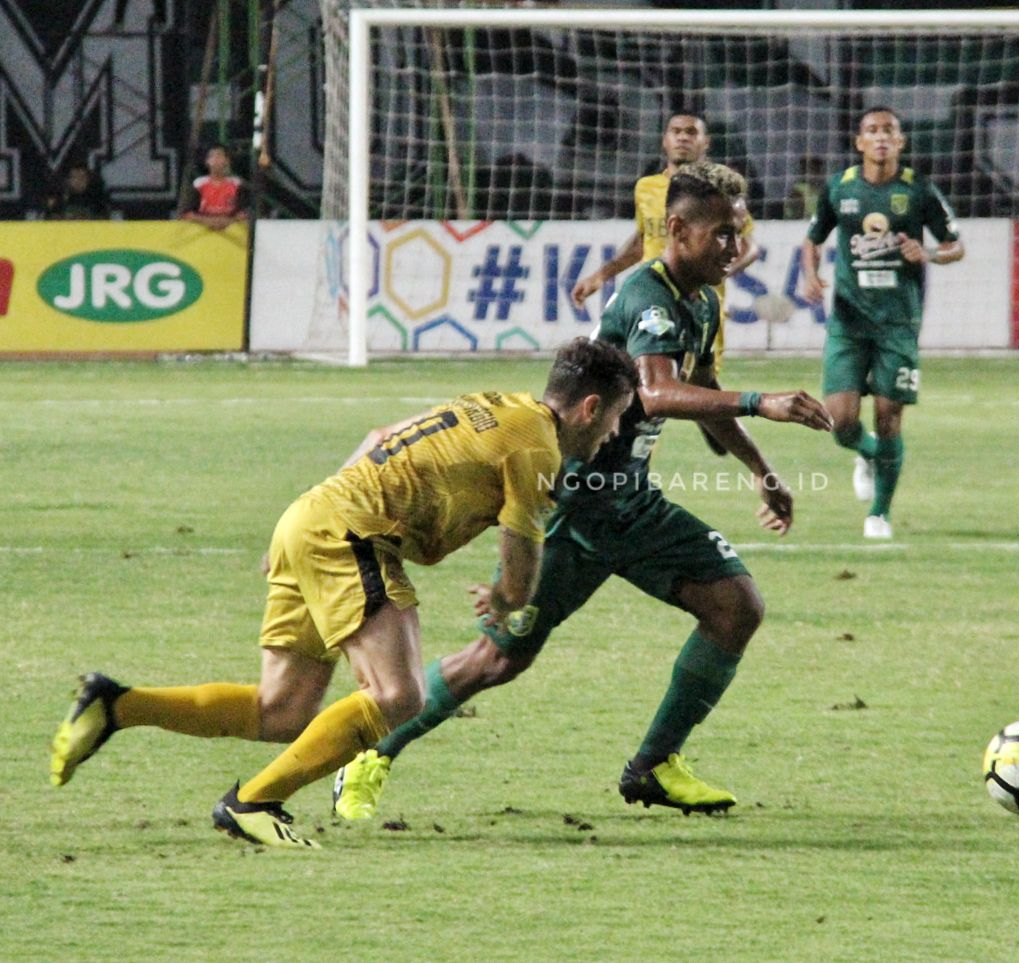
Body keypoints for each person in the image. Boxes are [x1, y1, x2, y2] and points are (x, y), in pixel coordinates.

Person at [332, 161, 832, 821]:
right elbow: (654, 391)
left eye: (738, 234)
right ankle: (369, 753)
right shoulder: (646, 297)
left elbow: (703, 396)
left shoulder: (704, 300)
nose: (733, 249)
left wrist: (760, 469)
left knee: (737, 606)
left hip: (631, 502)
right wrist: (763, 400)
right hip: (571, 508)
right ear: (677, 229)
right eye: (719, 234)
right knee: (495, 660)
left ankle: (653, 765)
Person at [49, 339, 638, 849]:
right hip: (351, 535)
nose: (613, 433)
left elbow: (378, 435)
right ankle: (251, 803)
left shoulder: (496, 404)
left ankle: (116, 705)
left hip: (312, 516)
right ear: (590, 407)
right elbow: (521, 547)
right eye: (614, 419)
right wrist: (508, 600)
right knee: (400, 695)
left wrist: (304, 521)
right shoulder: (537, 447)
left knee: (281, 711)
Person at [799, 106, 964, 540]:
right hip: (849, 321)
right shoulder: (840, 188)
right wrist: (810, 275)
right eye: (872, 130)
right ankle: (868, 453)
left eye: (889, 130)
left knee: (890, 414)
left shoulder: (918, 191)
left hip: (898, 322)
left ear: (901, 141)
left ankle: (879, 514)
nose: (881, 137)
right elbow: (812, 240)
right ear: (859, 142)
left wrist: (927, 254)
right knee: (840, 421)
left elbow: (955, 245)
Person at [571, 113, 760, 374]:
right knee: (649, 377)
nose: (683, 137)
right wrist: (599, 276)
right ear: (664, 140)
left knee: (696, 379)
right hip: (651, 296)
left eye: (692, 132)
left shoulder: (717, 193)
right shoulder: (645, 188)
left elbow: (749, 247)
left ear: (706, 142)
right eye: (676, 131)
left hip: (698, 299)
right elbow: (641, 240)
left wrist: (720, 270)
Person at [181, 143, 248, 229]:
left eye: (219, 155)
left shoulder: (236, 184)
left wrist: (227, 222)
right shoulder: (198, 184)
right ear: (207, 161)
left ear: (227, 160)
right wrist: (209, 222)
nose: (216, 159)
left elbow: (243, 214)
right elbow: (187, 214)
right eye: (212, 156)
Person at [44, 163, 111, 220]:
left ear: (88, 180)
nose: (79, 181)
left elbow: (103, 221)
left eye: (82, 177)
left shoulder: (97, 199)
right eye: (75, 177)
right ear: (68, 180)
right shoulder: (59, 199)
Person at [784, 154, 826, 220]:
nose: (815, 174)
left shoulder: (821, 190)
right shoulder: (797, 192)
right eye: (812, 169)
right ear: (803, 172)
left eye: (817, 170)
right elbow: (796, 217)